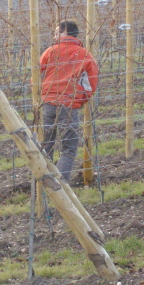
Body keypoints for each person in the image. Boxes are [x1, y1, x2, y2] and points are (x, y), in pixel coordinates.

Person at [39, 20, 98, 182]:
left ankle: (44, 184)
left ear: (65, 33)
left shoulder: (49, 52)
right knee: (69, 150)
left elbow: (36, 77)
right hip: (69, 106)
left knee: (46, 147)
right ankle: (60, 187)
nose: (54, 36)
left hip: (48, 104)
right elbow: (91, 84)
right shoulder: (84, 55)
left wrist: (43, 95)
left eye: (57, 32)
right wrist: (79, 101)